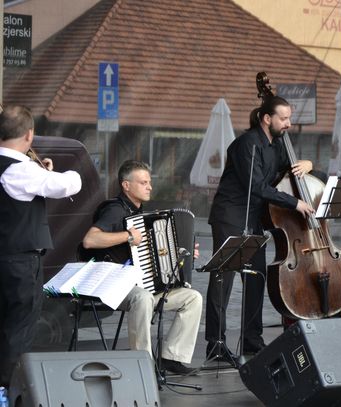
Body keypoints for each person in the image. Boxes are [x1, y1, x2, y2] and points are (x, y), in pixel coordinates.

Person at [206, 95, 314, 361]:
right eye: (284, 118)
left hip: (254, 219)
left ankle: (252, 342)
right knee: (223, 282)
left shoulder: (276, 146)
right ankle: (215, 345)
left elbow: (289, 172)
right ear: (268, 119)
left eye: (289, 118)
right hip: (230, 217)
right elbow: (257, 186)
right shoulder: (247, 144)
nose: (288, 123)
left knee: (256, 280)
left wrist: (310, 165)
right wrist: (294, 203)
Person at [82, 160, 202, 375]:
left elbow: (160, 255)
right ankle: (142, 363)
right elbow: (90, 241)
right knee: (143, 297)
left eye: (150, 182)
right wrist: (127, 236)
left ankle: (171, 357)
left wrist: (182, 253)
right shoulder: (114, 210)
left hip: (143, 286)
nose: (150, 187)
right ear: (126, 185)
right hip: (114, 287)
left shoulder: (144, 216)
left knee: (192, 298)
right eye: (143, 182)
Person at [0, 105, 82, 387]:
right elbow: (69, 184)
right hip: (19, 263)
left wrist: (39, 171)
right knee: (18, 328)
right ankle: (6, 391)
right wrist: (49, 173)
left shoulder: (23, 170)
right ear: (29, 135)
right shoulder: (22, 171)